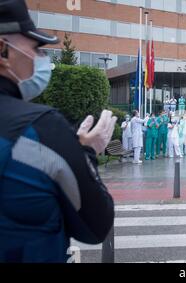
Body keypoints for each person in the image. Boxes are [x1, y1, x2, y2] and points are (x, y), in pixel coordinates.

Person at [0, 0, 115, 262]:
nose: (43, 59)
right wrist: (85, 152)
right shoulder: (41, 129)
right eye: (37, 49)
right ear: (3, 50)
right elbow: (96, 224)